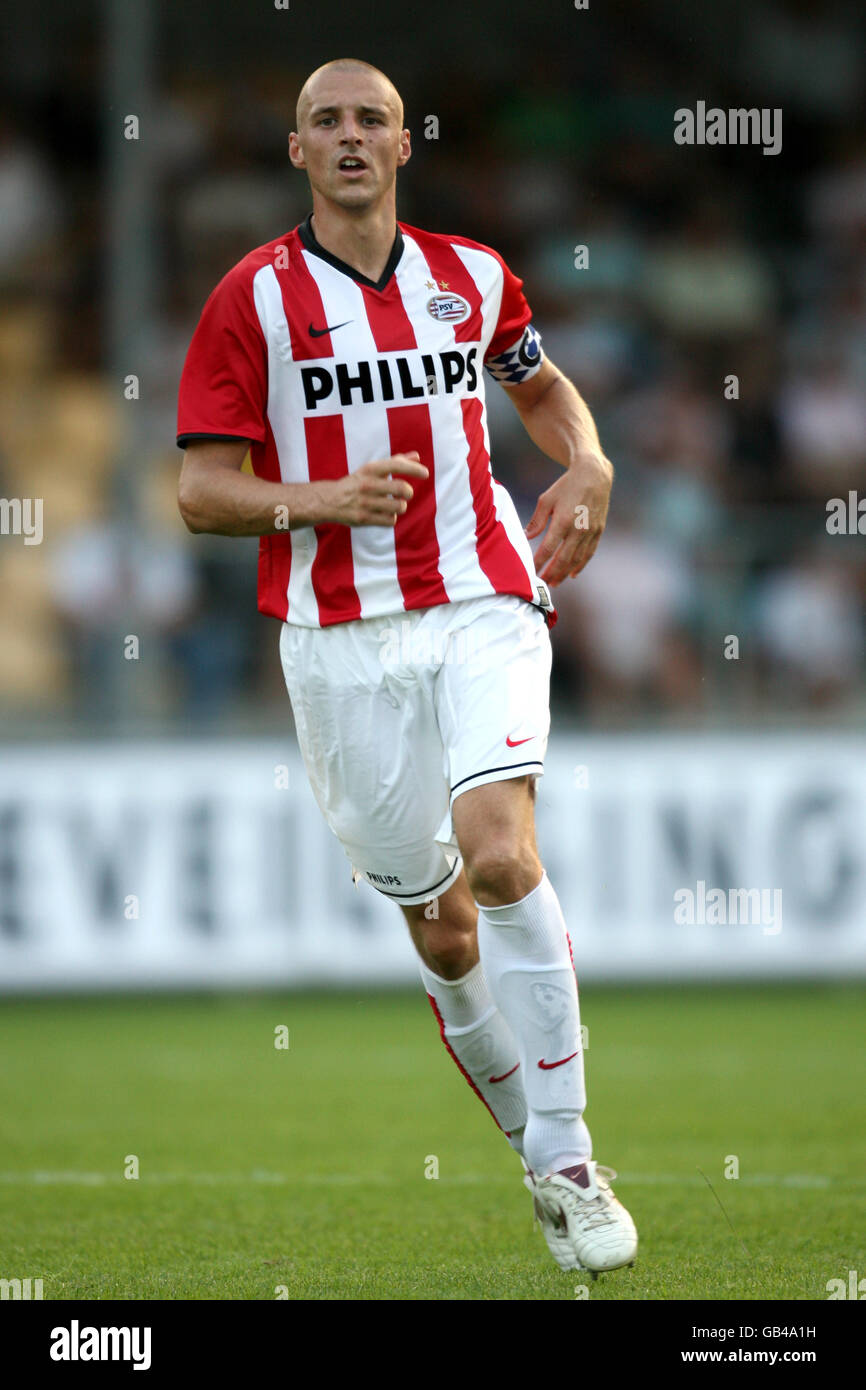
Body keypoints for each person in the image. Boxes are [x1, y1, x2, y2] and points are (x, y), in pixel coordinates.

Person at [176, 57, 637, 1276]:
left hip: (480, 598)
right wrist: (321, 499)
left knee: (500, 855)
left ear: (401, 144)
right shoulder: (250, 301)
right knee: (439, 930)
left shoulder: (471, 278)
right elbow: (199, 491)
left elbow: (537, 389)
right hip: (334, 640)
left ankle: (568, 1156)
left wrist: (585, 459)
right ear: (295, 152)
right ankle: (533, 1146)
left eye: (368, 120)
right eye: (323, 121)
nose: (346, 137)